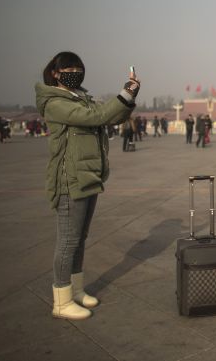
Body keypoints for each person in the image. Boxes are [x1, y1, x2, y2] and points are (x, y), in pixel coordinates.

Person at [35, 51, 139, 320]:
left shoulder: (81, 97)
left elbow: (111, 117)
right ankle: (61, 299)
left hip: (89, 175)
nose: (74, 72)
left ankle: (76, 290)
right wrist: (123, 95)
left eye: (78, 67)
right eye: (68, 68)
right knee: (68, 241)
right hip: (70, 177)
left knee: (80, 239)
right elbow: (95, 118)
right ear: (55, 73)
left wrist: (129, 97)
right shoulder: (54, 102)